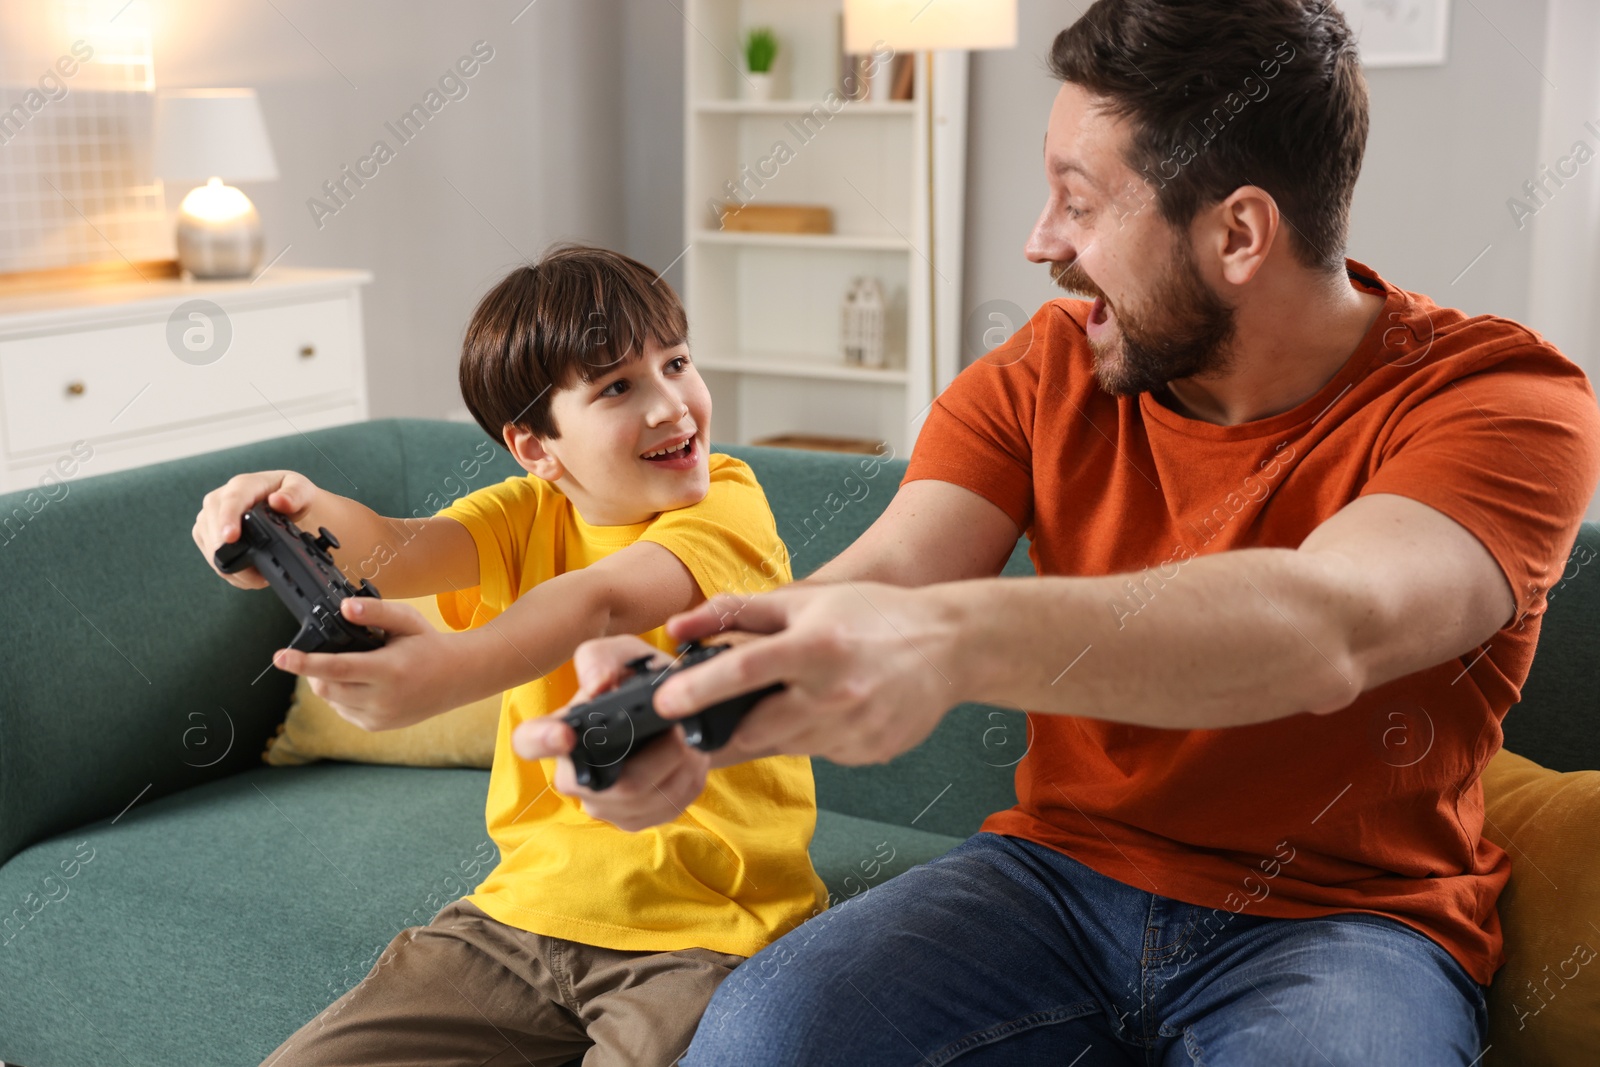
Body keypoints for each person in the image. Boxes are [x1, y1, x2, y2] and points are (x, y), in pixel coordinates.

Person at [516, 3, 1600, 1065]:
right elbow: (889, 574)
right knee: (759, 1036)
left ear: (1238, 233)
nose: (1040, 243)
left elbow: (1329, 625)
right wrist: (681, 688)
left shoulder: (1500, 399)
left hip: (1346, 920)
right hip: (1053, 879)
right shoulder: (1047, 370)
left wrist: (946, 641)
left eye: (1077, 203)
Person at [191, 245, 828, 1066]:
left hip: (704, 935)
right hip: (518, 917)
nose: (674, 406)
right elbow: (394, 546)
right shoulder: (527, 510)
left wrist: (453, 670)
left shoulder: (730, 503)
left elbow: (597, 599)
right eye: (618, 387)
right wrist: (291, 509)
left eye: (676, 362)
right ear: (536, 448)